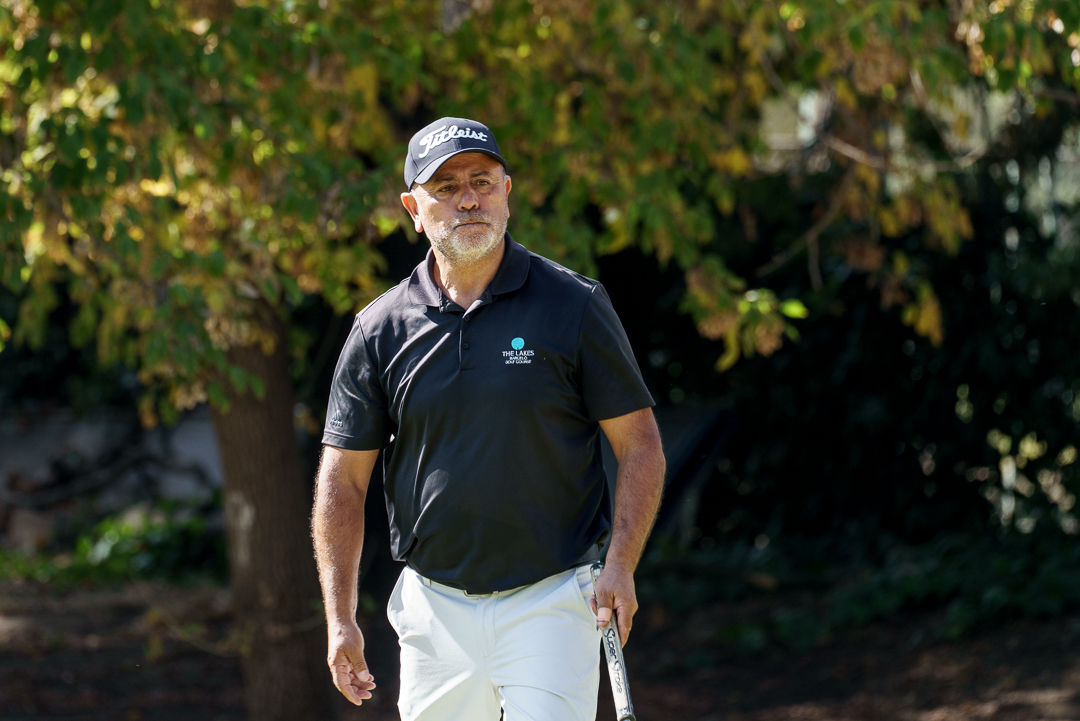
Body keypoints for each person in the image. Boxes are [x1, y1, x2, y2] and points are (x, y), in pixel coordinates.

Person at [311, 116, 666, 721]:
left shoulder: (574, 305)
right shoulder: (379, 329)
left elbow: (640, 445)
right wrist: (340, 618)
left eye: (481, 181)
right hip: (434, 609)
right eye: (446, 188)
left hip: (554, 599)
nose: (468, 199)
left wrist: (621, 565)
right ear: (413, 210)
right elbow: (342, 480)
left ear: (506, 191)